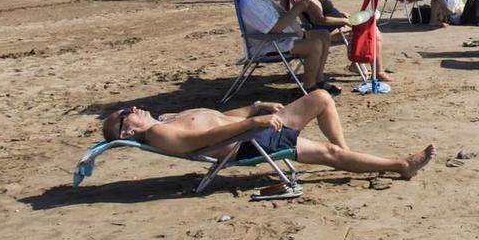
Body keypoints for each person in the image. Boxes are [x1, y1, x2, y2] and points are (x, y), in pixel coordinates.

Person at [102, 88, 430, 179]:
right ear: (126, 131)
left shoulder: (165, 119)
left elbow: (216, 118)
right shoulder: (159, 134)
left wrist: (254, 107)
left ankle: (348, 155)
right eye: (126, 113)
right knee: (329, 155)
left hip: (249, 131)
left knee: (320, 97)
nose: (133, 109)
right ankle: (400, 165)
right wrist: (251, 124)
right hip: (247, 144)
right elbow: (200, 140)